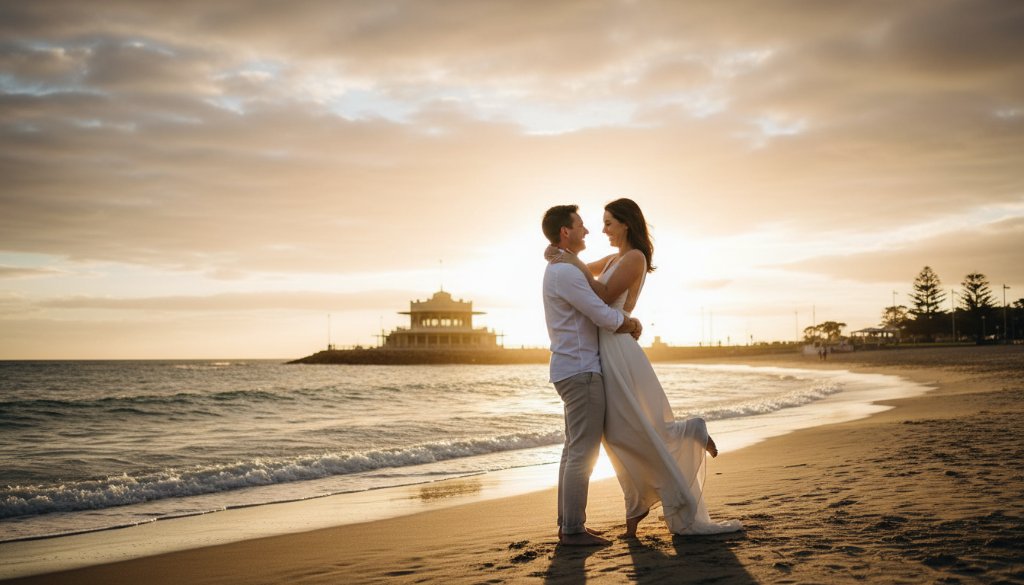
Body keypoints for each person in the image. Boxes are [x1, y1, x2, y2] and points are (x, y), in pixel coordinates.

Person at [547, 198, 742, 537]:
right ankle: (636, 508)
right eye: (600, 222)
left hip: (618, 347)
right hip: (604, 349)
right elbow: (578, 271)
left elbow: (603, 292)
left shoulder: (634, 257)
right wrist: (559, 255)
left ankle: (688, 433)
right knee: (620, 433)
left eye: (608, 222)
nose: (602, 229)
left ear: (625, 223)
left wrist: (566, 258)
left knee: (631, 427)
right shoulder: (612, 258)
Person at [541, 204, 644, 546]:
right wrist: (629, 323)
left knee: (574, 450)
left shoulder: (564, 267)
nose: (588, 232)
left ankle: (568, 524)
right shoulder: (565, 271)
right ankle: (572, 530)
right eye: (582, 226)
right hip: (581, 370)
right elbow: (600, 312)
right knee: (583, 453)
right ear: (565, 232)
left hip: (571, 367)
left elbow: (596, 296)